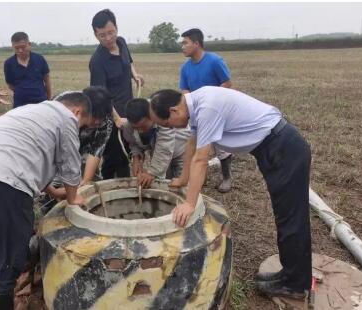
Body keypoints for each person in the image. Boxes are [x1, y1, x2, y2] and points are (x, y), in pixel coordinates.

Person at [149, 86, 312, 300]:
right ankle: (290, 274)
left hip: (283, 148)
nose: (169, 128)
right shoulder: (197, 103)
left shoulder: (207, 108)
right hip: (273, 147)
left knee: (291, 217)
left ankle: (296, 284)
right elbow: (192, 144)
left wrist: (189, 203)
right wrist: (183, 179)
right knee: (285, 214)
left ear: (173, 111)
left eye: (166, 124)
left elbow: (201, 158)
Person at [0, 92, 95, 309]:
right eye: (83, 124)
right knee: (6, 261)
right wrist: (72, 197)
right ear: (77, 111)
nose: (80, 129)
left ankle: (7, 267)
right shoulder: (66, 118)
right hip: (0, 184)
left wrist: (52, 191)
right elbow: (70, 164)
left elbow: (24, 156)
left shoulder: (31, 110)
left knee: (5, 243)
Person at [89, 9, 144, 179]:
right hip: (111, 115)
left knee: (126, 151)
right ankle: (119, 189)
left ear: (116, 28)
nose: (107, 38)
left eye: (110, 32)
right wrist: (116, 119)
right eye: (102, 35)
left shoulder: (122, 43)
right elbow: (101, 96)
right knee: (116, 156)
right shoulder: (98, 61)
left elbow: (129, 62)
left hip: (128, 108)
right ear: (96, 35)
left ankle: (113, 184)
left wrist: (135, 75)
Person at [179, 28, 234, 192]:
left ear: (196, 43)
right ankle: (198, 178)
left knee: (220, 146)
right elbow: (184, 90)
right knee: (197, 146)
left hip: (215, 111)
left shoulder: (215, 61)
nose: (182, 47)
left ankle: (227, 177)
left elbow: (227, 83)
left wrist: (212, 101)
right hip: (196, 112)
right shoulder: (185, 68)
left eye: (185, 43)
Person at [122, 98, 190, 188]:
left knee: (183, 184)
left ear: (152, 117)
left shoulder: (162, 115)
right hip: (161, 154)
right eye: (136, 128)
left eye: (143, 126)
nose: (140, 131)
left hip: (182, 149)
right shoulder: (129, 125)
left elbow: (164, 147)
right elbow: (133, 142)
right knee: (167, 184)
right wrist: (136, 157)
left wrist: (152, 172)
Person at [4, 31, 52, 108]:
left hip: (41, 103)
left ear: (29, 44)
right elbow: (10, 85)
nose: (20, 50)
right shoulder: (8, 63)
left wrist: (49, 100)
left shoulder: (39, 59)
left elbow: (47, 81)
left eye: (23, 47)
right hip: (20, 105)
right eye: (16, 48)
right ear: (12, 46)